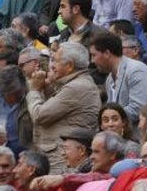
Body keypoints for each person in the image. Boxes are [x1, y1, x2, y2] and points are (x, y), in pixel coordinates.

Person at [26, 41, 101, 173]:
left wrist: (35, 90)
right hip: (59, 158)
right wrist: (48, 87)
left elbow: (39, 115)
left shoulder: (77, 87)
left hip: (62, 162)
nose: (51, 66)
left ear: (70, 66)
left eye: (55, 61)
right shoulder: (74, 84)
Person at [90, 32, 147, 125]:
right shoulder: (110, 79)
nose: (92, 60)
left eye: (94, 55)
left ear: (107, 53)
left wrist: (106, 119)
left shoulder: (136, 71)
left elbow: (139, 109)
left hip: (141, 135)